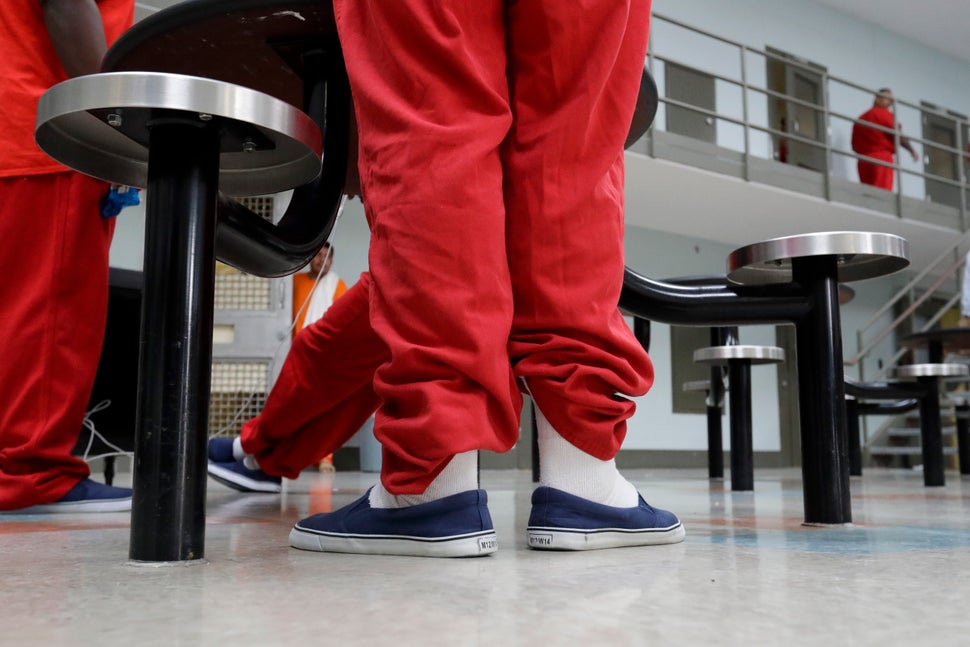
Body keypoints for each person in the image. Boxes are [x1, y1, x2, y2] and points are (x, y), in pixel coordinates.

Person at [0, 0, 135, 513]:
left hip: (19, 127)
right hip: (51, 133)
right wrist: (117, 120)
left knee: (17, 309)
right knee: (50, 311)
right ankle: (32, 473)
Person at [293, 242, 347, 471]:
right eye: (318, 255)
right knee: (295, 406)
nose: (321, 260)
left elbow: (343, 324)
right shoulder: (295, 282)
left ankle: (325, 458)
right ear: (309, 258)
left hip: (325, 356)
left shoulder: (337, 285)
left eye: (327, 256)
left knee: (325, 408)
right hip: (296, 354)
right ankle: (292, 457)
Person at [851, 88, 918, 191]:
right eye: (888, 99)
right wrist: (912, 150)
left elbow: (854, 147)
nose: (890, 103)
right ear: (877, 98)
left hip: (863, 162)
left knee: (867, 196)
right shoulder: (882, 114)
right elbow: (898, 134)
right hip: (881, 160)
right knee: (883, 196)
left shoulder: (860, 119)